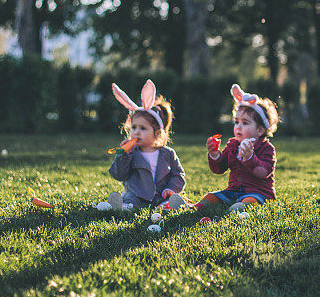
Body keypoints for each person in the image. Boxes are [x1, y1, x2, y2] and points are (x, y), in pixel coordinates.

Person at [193, 84, 279, 212]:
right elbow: (219, 168)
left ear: (260, 130)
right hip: (233, 192)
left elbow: (263, 173)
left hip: (258, 193)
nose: (238, 126)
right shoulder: (233, 145)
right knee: (211, 196)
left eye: (245, 123)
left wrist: (250, 157)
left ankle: (240, 208)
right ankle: (194, 207)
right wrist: (215, 155)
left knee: (251, 200)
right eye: (236, 121)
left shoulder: (267, 149)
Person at [108, 79, 187, 211]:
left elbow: (178, 175)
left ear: (156, 133)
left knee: (167, 202)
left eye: (143, 128)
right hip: (137, 195)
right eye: (134, 127)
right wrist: (123, 154)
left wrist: (171, 189)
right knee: (131, 201)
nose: (136, 132)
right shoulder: (131, 152)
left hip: (161, 195)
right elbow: (118, 174)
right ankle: (122, 207)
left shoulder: (168, 154)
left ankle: (169, 206)